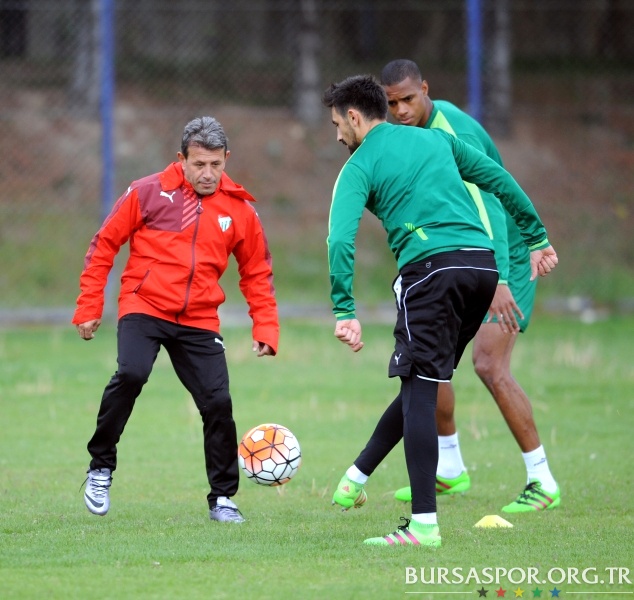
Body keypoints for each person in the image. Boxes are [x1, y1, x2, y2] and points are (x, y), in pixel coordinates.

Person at [322, 74, 558, 547]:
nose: (337, 136)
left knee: (420, 387)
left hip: (431, 272)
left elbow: (339, 240)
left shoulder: (358, 165)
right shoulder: (436, 140)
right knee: (423, 383)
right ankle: (356, 476)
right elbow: (499, 178)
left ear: (353, 116)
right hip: (481, 270)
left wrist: (344, 308)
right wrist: (536, 236)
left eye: (336, 125)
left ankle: (423, 526)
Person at [73, 116, 279, 523]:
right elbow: (104, 245)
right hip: (144, 304)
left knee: (218, 402)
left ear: (226, 159)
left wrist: (266, 326)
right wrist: (89, 306)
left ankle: (223, 498)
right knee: (131, 374)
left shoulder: (239, 210)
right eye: (199, 164)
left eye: (216, 164)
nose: (208, 173)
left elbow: (257, 270)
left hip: (199, 317)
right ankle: (100, 468)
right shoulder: (147, 192)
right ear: (181, 159)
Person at [381, 59, 560, 513]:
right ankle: (449, 468)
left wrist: (500, 279)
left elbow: (491, 208)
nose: (401, 111)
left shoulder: (452, 131)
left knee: (488, 364)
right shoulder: (412, 134)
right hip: (464, 255)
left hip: (506, 255)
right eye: (392, 104)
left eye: (408, 99)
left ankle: (542, 480)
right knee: (432, 357)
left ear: (425, 88)